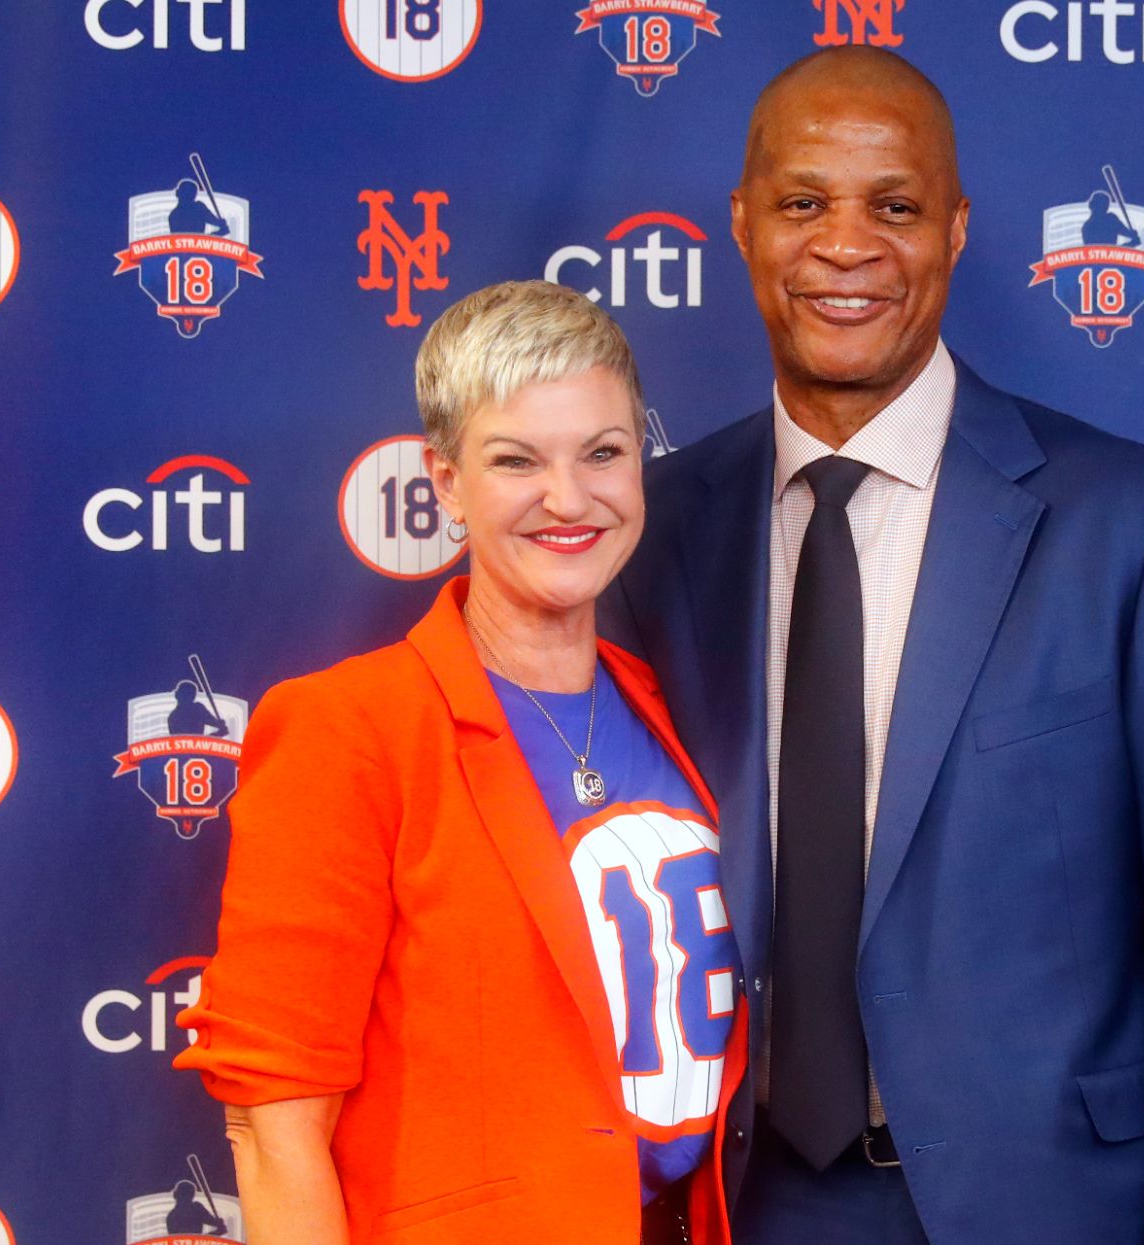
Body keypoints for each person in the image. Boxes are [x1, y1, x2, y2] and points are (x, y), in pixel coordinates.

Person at [603, 48, 1144, 1244]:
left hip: (1040, 1209)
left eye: (895, 207)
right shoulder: (648, 533)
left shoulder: (1135, 526)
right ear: (742, 222)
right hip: (727, 1203)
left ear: (959, 229)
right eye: (802, 203)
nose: (846, 247)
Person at [176, 281, 745, 1245]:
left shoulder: (668, 706)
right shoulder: (349, 728)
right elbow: (275, 1133)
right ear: (444, 482)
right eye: (516, 460)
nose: (570, 499)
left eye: (602, 453)